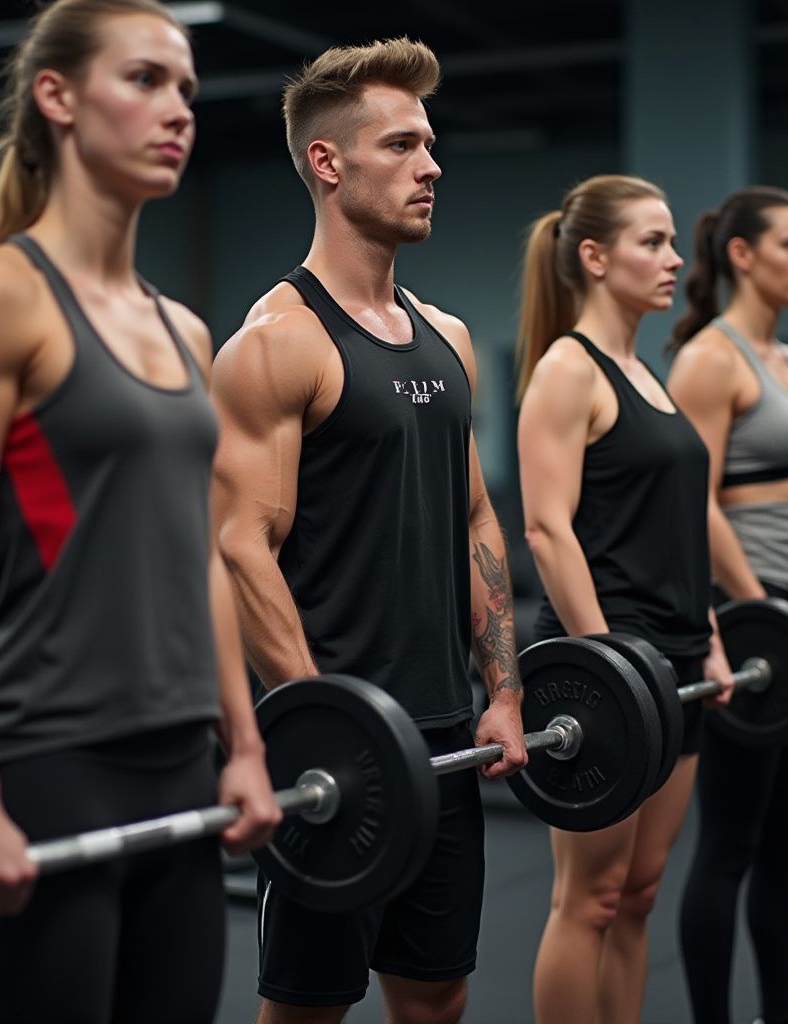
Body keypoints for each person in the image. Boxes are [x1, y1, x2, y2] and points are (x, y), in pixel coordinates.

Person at [0, 2, 279, 1022]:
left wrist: (241, 743)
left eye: (187, 88)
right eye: (144, 80)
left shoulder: (185, 330)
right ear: (57, 98)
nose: (178, 110)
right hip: (49, 762)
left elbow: (201, 554)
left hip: (180, 763)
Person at [210, 37, 526, 1024]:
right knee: (307, 1004)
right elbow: (241, 546)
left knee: (438, 994)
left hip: (443, 733)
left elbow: (475, 514)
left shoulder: (450, 336)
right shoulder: (276, 343)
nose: (431, 165)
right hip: (339, 746)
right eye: (401, 145)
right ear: (328, 163)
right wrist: (322, 729)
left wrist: (504, 691)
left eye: (430, 144)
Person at [515, 173, 733, 1024]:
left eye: (674, 241)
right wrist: (612, 664)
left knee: (638, 895)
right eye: (654, 241)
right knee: (588, 901)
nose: (676, 259)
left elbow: (677, 525)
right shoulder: (569, 370)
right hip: (604, 667)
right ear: (595, 257)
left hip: (675, 658)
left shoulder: (650, 374)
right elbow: (546, 530)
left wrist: (708, 630)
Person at [668, 186, 788, 1024]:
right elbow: (697, 501)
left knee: (785, 840)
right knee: (731, 841)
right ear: (741, 254)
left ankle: (783, 1013)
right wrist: (762, 612)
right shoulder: (711, 359)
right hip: (753, 622)